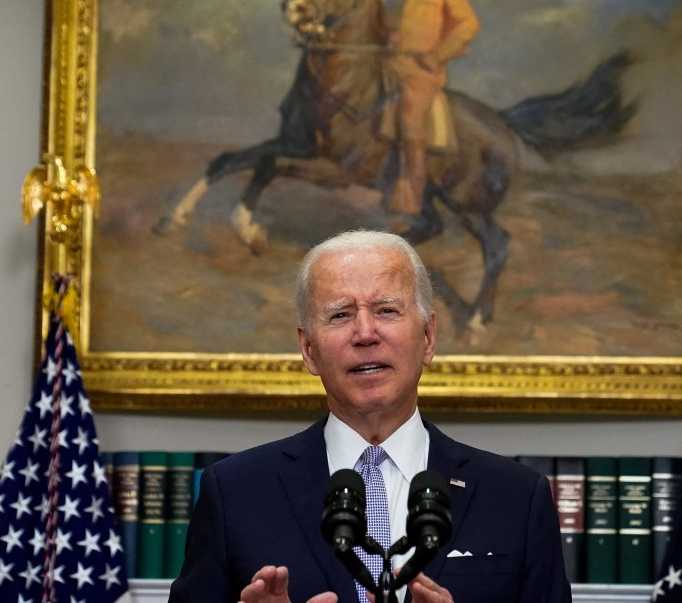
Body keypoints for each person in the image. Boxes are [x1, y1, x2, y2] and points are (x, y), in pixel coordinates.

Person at [168, 229, 570, 603]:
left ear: (428, 338)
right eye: (341, 315)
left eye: (386, 310)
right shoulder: (235, 492)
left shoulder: (517, 498)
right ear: (309, 350)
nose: (365, 333)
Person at [381, 0, 480, 216]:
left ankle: (411, 200)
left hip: (420, 72)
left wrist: (437, 56)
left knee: (411, 124)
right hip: (388, 66)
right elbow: (385, 28)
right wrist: (388, 38)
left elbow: (468, 25)